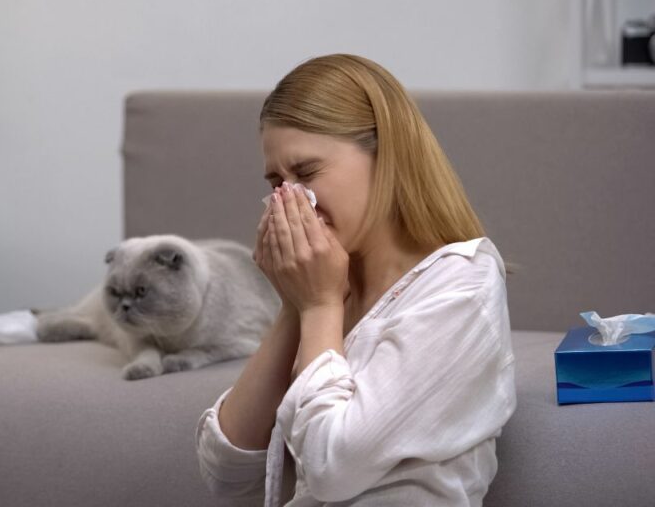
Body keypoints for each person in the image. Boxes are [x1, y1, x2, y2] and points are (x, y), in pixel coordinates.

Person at [195, 54, 516, 506]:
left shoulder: (461, 285)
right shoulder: (330, 287)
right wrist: (296, 304)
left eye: (305, 173)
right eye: (276, 183)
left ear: (386, 158)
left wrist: (319, 307)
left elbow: (332, 466)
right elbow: (227, 474)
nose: (291, 200)